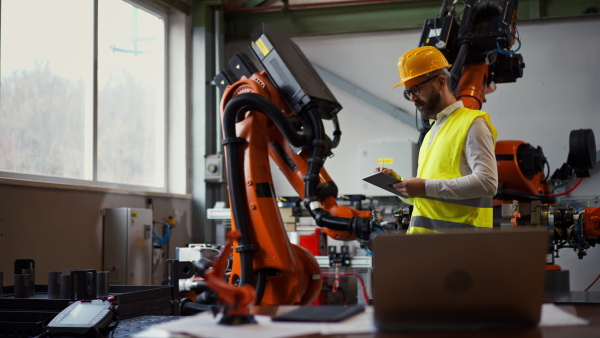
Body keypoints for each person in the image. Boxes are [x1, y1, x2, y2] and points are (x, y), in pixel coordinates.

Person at [376, 46, 498, 234]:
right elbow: (427, 199)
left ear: (441, 82)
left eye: (416, 89)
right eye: (409, 93)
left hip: (458, 248)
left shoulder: (473, 123)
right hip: (427, 249)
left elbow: (487, 183)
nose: (413, 99)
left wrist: (424, 186)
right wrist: (399, 185)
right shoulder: (432, 132)